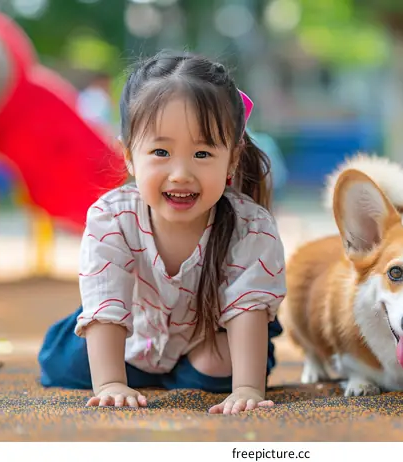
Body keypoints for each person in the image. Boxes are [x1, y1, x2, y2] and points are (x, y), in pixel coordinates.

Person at [37, 50, 287, 415]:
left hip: (207, 336)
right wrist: (111, 384)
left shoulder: (252, 226)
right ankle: (139, 374)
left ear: (232, 158)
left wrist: (246, 389)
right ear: (128, 156)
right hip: (132, 330)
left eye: (202, 154)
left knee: (223, 371)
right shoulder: (112, 218)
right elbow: (106, 304)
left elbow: (248, 308)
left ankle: (181, 373)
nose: (181, 173)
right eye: (160, 151)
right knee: (64, 366)